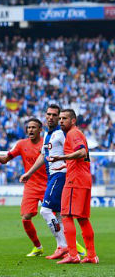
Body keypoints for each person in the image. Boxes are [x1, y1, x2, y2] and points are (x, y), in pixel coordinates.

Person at [20, 105, 86, 259]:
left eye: (55, 115)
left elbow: (73, 151)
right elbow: (43, 156)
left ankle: (63, 246)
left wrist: (65, 165)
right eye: (48, 114)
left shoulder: (62, 134)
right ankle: (63, 247)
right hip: (53, 176)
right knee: (58, 214)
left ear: (59, 118)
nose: (51, 117)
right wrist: (29, 173)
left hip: (60, 175)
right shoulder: (49, 135)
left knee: (45, 210)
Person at [0, 118, 47, 257]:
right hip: (30, 186)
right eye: (28, 127)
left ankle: (69, 246)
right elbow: (6, 159)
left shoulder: (46, 143)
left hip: (48, 185)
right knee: (25, 217)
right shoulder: (21, 144)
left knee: (56, 217)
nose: (30, 130)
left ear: (40, 130)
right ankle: (38, 247)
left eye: (33, 127)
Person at [48, 109, 98, 264]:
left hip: (75, 180)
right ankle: (91, 255)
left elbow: (82, 152)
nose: (61, 121)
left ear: (73, 120)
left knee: (66, 215)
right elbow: (78, 157)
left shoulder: (73, 134)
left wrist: (61, 157)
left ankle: (73, 254)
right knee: (83, 218)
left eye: (65, 118)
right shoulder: (76, 133)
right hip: (83, 178)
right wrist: (64, 164)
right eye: (60, 118)